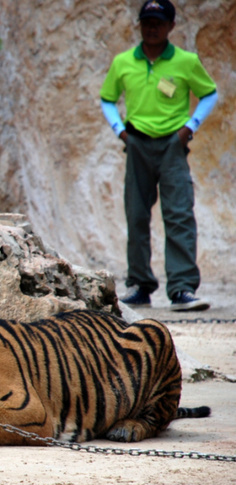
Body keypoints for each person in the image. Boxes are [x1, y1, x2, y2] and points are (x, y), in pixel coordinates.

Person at [100, 0, 218, 312]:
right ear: (138, 24)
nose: (152, 28)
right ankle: (139, 285)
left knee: (179, 213)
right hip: (136, 142)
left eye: (159, 22)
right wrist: (120, 130)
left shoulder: (185, 61)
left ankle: (181, 288)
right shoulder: (123, 62)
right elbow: (107, 99)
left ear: (171, 26)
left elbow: (209, 93)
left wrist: (189, 127)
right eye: (147, 21)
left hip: (172, 144)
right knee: (136, 214)